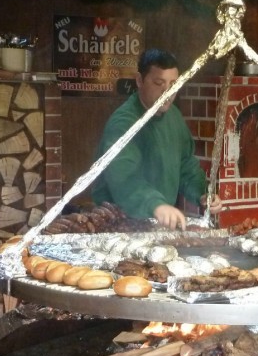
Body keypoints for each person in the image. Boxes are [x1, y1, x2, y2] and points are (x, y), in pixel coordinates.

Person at [90, 48, 221, 230]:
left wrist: (202, 194)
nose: (167, 91)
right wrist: (156, 205)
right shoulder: (124, 122)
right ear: (139, 80)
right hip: (118, 226)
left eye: (174, 83)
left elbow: (187, 166)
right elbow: (123, 177)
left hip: (156, 225)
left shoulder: (174, 116)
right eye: (159, 83)